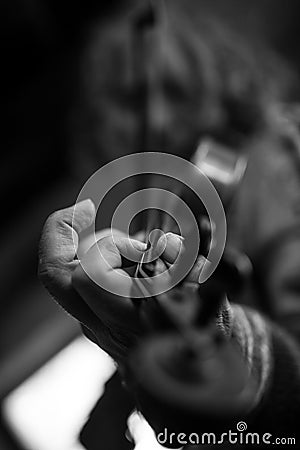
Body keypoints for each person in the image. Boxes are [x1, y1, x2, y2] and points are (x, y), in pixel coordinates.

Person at [39, 1, 300, 448]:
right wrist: (123, 381)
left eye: (171, 91)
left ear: (212, 71)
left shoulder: (268, 157)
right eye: (130, 102)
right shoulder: (176, 206)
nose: (156, 119)